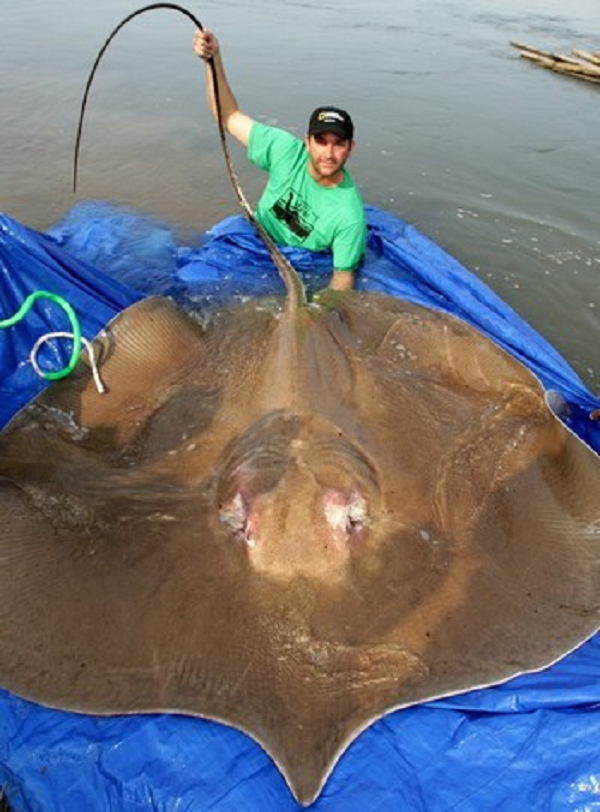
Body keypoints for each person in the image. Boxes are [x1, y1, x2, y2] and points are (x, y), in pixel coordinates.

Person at [193, 29, 366, 291]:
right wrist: (213, 61)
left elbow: (342, 276)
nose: (329, 154)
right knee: (194, 278)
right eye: (321, 141)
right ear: (307, 142)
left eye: (339, 144)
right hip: (257, 237)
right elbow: (228, 116)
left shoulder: (349, 216)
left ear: (350, 148)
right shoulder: (285, 150)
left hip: (302, 263)